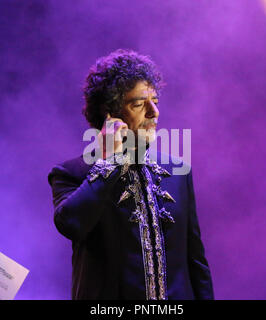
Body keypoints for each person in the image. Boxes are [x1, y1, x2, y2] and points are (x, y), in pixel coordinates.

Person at [48, 49, 214, 300]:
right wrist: (110, 161)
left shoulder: (178, 170)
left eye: (155, 102)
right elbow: (71, 224)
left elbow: (196, 260)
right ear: (110, 115)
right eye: (138, 104)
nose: (153, 113)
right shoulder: (72, 173)